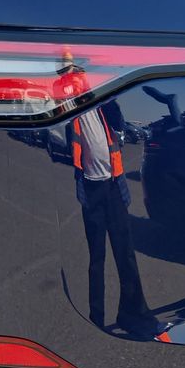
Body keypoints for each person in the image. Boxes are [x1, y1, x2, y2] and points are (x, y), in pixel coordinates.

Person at [65, 76, 155, 339]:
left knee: (125, 253)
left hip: (113, 185)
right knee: (96, 259)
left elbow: (118, 121)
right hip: (91, 190)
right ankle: (95, 320)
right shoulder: (72, 112)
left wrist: (106, 96)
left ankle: (133, 314)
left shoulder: (103, 108)